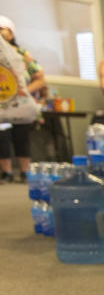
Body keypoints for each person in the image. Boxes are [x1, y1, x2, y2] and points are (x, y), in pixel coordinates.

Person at [0, 16, 44, 183]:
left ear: (11, 33)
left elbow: (40, 78)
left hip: (21, 103)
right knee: (2, 136)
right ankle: (7, 172)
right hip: (2, 103)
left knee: (21, 136)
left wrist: (24, 91)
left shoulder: (22, 54)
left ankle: (25, 172)